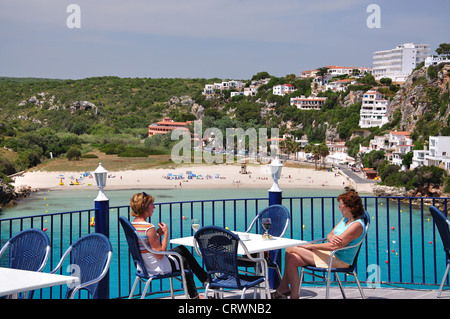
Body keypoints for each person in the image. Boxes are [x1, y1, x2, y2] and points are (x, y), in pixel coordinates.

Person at [274, 191, 366, 299]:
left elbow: (334, 246)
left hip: (338, 260)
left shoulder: (356, 225)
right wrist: (331, 237)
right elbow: (330, 234)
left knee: (289, 248)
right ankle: (293, 294)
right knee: (291, 258)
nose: (339, 208)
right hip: (330, 254)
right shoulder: (345, 219)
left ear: (349, 207)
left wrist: (311, 246)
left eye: (341, 205)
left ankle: (284, 288)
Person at [130, 192, 208, 299]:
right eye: (151, 204)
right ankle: (196, 294)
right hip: (156, 266)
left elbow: (145, 243)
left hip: (143, 265)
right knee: (183, 260)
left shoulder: (133, 225)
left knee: (181, 249)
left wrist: (157, 235)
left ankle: (206, 280)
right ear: (144, 206)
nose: (154, 207)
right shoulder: (149, 228)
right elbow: (160, 255)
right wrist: (166, 234)